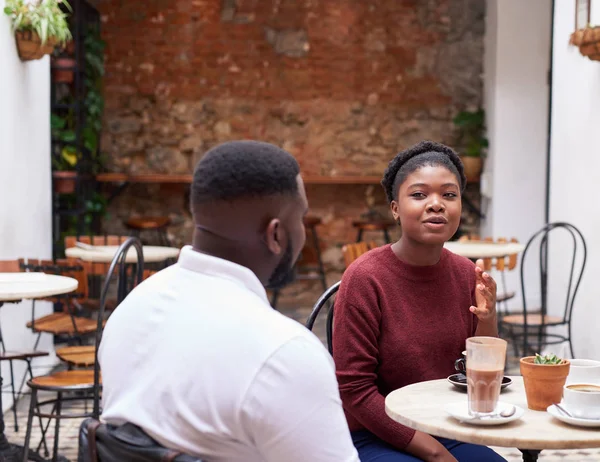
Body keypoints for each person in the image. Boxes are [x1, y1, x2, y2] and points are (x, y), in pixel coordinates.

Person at [99, 140, 359, 462]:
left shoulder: (130, 310)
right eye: (301, 219)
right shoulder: (284, 353)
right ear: (275, 235)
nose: (303, 232)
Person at [333, 141, 506, 461]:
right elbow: (355, 390)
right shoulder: (365, 278)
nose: (436, 204)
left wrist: (487, 317)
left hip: (445, 425)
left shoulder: (467, 273)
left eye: (449, 195)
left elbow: (480, 375)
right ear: (395, 208)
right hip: (373, 433)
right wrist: (435, 454)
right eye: (419, 194)